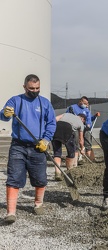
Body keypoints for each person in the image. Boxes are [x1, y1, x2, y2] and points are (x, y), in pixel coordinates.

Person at [0, 74, 56, 224]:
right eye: (31, 88)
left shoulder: (44, 103)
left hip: (38, 147)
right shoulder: (16, 100)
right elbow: (4, 115)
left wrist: (46, 139)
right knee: (14, 176)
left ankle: (38, 204)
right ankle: (11, 212)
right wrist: (5, 113)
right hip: (18, 146)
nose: (35, 91)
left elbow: (51, 123)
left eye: (37, 88)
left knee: (40, 177)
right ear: (24, 87)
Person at [52, 113, 86, 181]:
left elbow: (55, 119)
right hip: (68, 129)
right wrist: (82, 149)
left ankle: (57, 173)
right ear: (82, 119)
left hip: (56, 127)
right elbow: (81, 139)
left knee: (57, 153)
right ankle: (69, 172)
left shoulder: (67, 114)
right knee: (71, 152)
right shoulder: (81, 123)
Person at [66, 96, 99, 162]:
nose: (86, 105)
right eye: (85, 103)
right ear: (80, 101)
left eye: (87, 103)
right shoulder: (72, 108)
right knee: (77, 143)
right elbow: (67, 116)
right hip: (77, 128)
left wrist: (95, 116)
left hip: (87, 129)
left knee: (88, 144)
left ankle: (90, 158)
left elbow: (89, 119)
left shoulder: (87, 110)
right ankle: (77, 159)